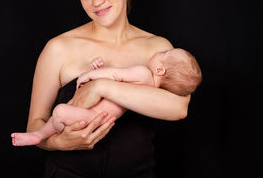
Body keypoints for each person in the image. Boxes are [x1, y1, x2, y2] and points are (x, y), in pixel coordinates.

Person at [23, 0, 194, 178]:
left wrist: (103, 87)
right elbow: (35, 123)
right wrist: (60, 142)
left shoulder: (158, 48)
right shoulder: (58, 48)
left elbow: (179, 108)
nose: (96, 1)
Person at [11, 48, 201, 146]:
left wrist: (90, 75)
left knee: (59, 112)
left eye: (165, 53)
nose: (160, 51)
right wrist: (99, 70)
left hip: (93, 117)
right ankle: (39, 135)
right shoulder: (152, 89)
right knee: (61, 115)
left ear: (160, 69)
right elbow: (119, 85)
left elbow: (116, 75)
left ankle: (40, 135)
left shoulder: (144, 73)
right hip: (98, 122)